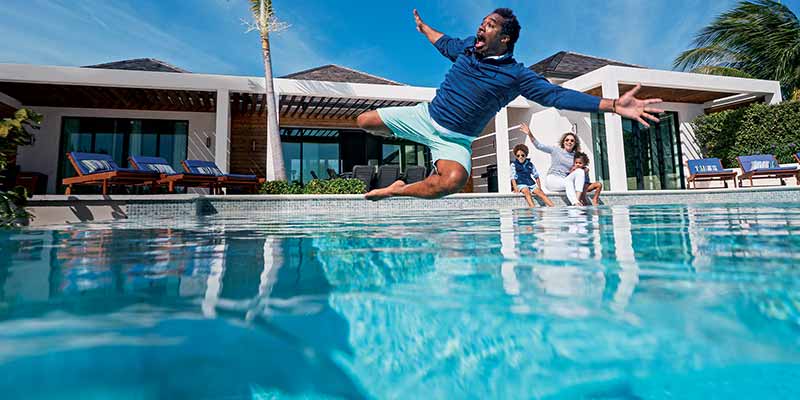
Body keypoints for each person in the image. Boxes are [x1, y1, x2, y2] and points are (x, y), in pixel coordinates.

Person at [357, 8, 663, 200]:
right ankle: (407, 138)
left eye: (489, 25)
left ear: (504, 39)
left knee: (451, 181)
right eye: (482, 23)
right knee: (364, 122)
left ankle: (397, 189)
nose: (481, 28)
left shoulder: (516, 76)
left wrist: (611, 104)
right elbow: (444, 43)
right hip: (425, 117)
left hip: (457, 139)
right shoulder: (467, 47)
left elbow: (555, 96)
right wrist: (425, 29)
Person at [521, 123, 586, 205]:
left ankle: (577, 200)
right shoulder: (556, 150)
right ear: (563, 142)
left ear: (575, 143)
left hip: (564, 180)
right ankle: (576, 203)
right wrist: (530, 134)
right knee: (568, 182)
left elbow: (581, 168)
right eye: (567, 140)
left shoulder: (576, 155)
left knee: (580, 172)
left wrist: (584, 169)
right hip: (552, 179)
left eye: (572, 140)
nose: (569, 142)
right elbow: (539, 146)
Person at [511, 143, 554, 207]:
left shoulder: (530, 164)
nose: (520, 157)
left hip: (531, 184)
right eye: (518, 156)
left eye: (522, 155)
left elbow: (536, 176)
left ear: (526, 155)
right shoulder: (514, 165)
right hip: (521, 183)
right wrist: (515, 188)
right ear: (516, 156)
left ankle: (552, 206)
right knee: (526, 191)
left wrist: (539, 187)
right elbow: (513, 177)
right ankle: (532, 207)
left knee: (541, 193)